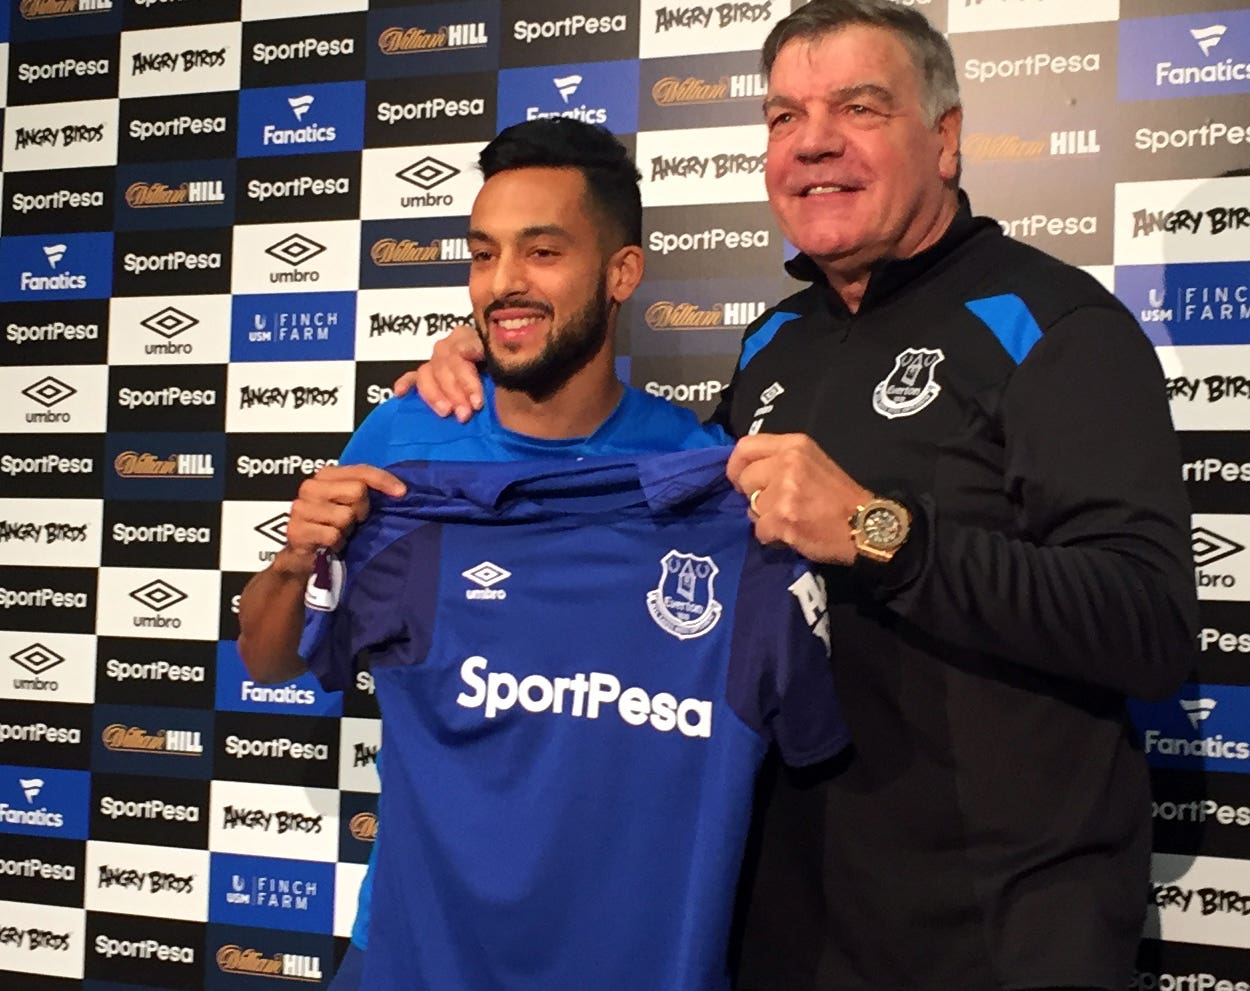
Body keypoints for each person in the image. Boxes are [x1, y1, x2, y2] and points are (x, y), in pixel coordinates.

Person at [400, 1, 1198, 989]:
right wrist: (500, 359)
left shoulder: (1057, 325)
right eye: (783, 117)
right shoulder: (773, 340)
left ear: (943, 140)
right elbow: (649, 484)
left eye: (859, 107)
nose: (813, 141)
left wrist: (879, 532)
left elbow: (1149, 626)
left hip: (997, 933)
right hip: (787, 920)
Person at [235, 118, 729, 989]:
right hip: (412, 956)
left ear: (622, 272)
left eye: (541, 252)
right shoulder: (405, 437)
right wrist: (288, 563)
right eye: (482, 253)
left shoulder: (690, 467)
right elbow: (268, 657)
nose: (503, 284)